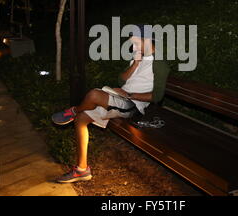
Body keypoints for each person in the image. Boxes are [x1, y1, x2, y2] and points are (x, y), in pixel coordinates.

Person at [51, 24, 170, 183]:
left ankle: (72, 111)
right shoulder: (137, 57)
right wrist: (134, 64)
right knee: (81, 119)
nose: (133, 46)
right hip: (120, 100)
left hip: (133, 106)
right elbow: (121, 80)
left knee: (93, 94)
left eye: (135, 42)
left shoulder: (159, 63)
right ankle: (82, 170)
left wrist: (129, 94)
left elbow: (157, 96)